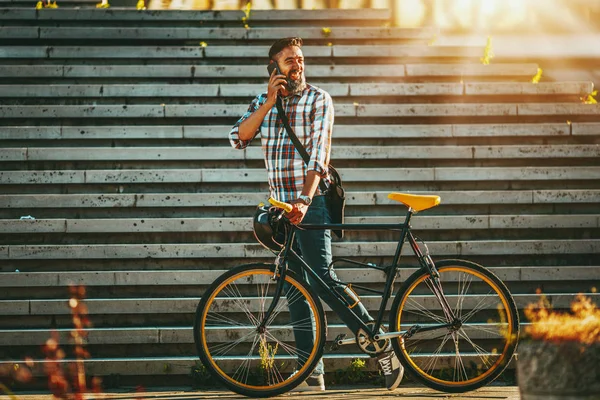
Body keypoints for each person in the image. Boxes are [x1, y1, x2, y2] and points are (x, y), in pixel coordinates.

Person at [229, 37, 403, 392]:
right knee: (295, 290)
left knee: (322, 278)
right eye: (290, 60)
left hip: (311, 202)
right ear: (274, 68)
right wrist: (269, 102)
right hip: (280, 209)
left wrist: (305, 200)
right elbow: (237, 137)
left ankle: (380, 344)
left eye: (300, 59)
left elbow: (318, 156)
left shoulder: (318, 99)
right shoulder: (263, 101)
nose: (297, 65)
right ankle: (312, 371)